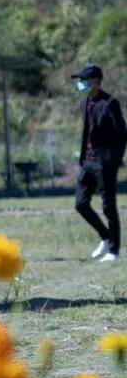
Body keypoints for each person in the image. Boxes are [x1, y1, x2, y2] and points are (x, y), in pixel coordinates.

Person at [72, 63, 126, 264]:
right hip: (87, 161)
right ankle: (105, 236)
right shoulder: (85, 101)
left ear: (95, 81)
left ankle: (114, 250)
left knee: (108, 207)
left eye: (83, 80)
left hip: (105, 163)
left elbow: (122, 134)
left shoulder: (110, 103)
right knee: (80, 204)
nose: (80, 84)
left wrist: (114, 160)